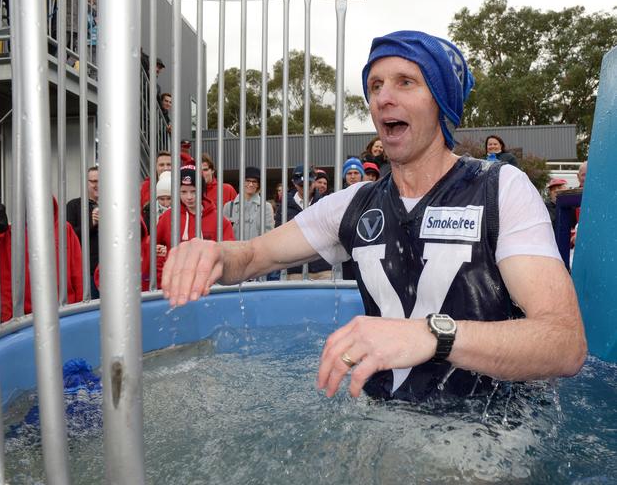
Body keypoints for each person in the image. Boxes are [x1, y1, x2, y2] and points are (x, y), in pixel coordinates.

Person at [160, 30, 586, 403]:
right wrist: (215, 254)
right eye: (375, 85)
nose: (384, 97)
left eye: (406, 82)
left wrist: (430, 334)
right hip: (379, 422)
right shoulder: (354, 203)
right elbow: (252, 256)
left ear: (441, 102)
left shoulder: (500, 188)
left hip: (487, 434)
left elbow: (564, 343)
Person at [156, 166, 235, 252]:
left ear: (202, 191)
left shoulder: (219, 221)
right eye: (183, 192)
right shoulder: (168, 217)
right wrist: (162, 257)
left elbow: (229, 254)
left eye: (194, 191)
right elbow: (152, 249)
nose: (189, 197)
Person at [275, 165, 332, 280]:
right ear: (294, 183)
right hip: (295, 268)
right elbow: (279, 234)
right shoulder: (285, 205)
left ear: (314, 182)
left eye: (309, 184)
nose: (305, 188)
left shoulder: (324, 203)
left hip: (322, 268)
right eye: (301, 185)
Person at [66, 165, 99, 298]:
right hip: (87, 272)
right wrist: (91, 224)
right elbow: (69, 237)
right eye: (93, 181)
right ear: (85, 183)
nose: (97, 185)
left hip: (111, 271)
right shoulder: (73, 206)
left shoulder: (114, 205)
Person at [223, 166, 274, 241]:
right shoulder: (229, 207)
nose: (250, 184)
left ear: (258, 184)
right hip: (234, 251)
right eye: (247, 180)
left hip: (257, 251)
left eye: (254, 182)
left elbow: (269, 235)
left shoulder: (266, 207)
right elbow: (224, 234)